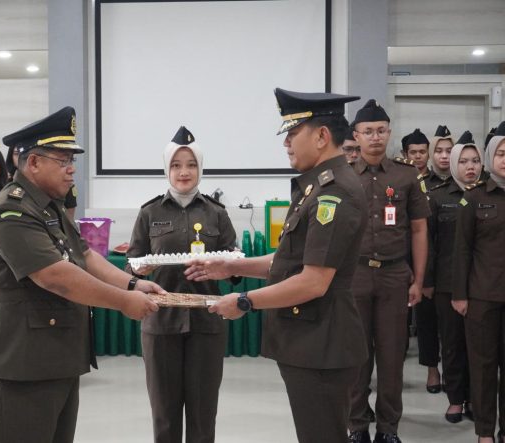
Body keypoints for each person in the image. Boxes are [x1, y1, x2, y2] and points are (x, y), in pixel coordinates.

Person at [0, 106, 161, 443]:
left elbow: (83, 253)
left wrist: (132, 282)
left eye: (72, 160)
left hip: (52, 359)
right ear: (33, 163)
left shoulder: (48, 206)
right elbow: (55, 276)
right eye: (62, 160)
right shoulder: (11, 211)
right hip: (17, 366)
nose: (72, 169)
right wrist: (123, 301)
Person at [186, 89, 368, 443]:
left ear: (321, 136)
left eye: (292, 133)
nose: (286, 143)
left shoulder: (335, 193)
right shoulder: (316, 186)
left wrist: (244, 301)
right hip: (311, 340)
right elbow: (287, 262)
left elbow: (313, 281)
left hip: (322, 343)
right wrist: (231, 266)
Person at [127, 126, 237, 443]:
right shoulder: (149, 212)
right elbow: (132, 262)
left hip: (207, 322)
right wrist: (138, 268)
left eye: (190, 164)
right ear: (167, 169)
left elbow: (235, 263)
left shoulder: (217, 213)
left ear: (200, 168)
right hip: (160, 321)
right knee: (164, 413)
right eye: (176, 165)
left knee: (204, 413)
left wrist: (227, 266)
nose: (184, 172)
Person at [347, 100, 430, 443]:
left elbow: (419, 230)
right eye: (368, 131)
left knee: (392, 355)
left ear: (389, 133)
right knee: (356, 355)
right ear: (357, 136)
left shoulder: (406, 175)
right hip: (355, 276)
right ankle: (356, 426)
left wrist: (419, 281)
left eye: (381, 130)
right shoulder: (344, 176)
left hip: (395, 276)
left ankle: (388, 428)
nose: (375, 137)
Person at [453, 121, 505, 443]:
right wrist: (460, 294)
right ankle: (485, 432)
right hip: (482, 297)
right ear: (489, 158)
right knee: (484, 369)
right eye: (501, 153)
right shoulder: (473, 199)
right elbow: (461, 251)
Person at [427, 130, 482, 424]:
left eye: (475, 161)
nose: (470, 167)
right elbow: (430, 244)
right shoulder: (438, 197)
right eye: (464, 161)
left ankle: (475, 397)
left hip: (482, 284)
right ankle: (456, 399)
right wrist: (428, 282)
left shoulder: (489, 196)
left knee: (479, 346)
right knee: (451, 343)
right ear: (454, 165)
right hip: (447, 284)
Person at [401, 128, 442, 394]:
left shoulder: (439, 184)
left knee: (428, 322)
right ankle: (394, 373)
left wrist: (425, 275)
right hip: (398, 262)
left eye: (422, 152)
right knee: (396, 326)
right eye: (413, 152)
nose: (418, 157)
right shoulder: (398, 180)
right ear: (405, 154)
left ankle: (432, 370)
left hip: (426, 261)